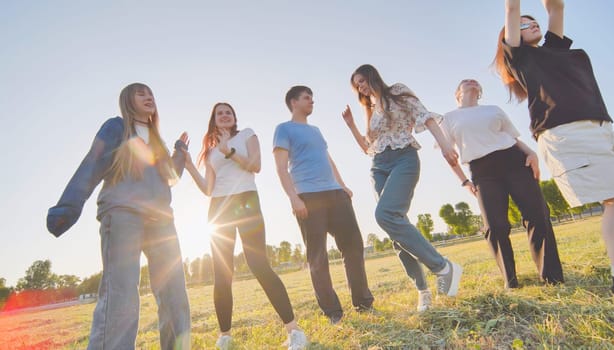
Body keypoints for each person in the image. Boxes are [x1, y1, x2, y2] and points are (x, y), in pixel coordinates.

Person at [46, 83, 191, 349]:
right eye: (141, 93)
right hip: (123, 214)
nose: (149, 97)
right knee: (121, 296)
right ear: (127, 100)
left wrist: (179, 152)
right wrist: (66, 209)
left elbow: (170, 178)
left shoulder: (156, 140)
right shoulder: (116, 128)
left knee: (175, 294)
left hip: (161, 219)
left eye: (151, 93)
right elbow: (92, 162)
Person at [495, 0, 614, 297]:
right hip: (567, 132)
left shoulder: (555, 49)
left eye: (533, 21)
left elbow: (556, 8)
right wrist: (516, 14)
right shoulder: (520, 57)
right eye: (523, 25)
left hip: (603, 128)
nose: (531, 24)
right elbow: (512, 8)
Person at [183, 102, 307, 350]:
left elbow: (256, 165)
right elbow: (208, 189)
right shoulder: (210, 152)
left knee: (259, 265)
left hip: (247, 200)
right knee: (222, 272)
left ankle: (294, 331)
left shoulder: (247, 135)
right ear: (214, 120)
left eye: (228, 112)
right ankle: (225, 336)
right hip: (219, 207)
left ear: (234, 117)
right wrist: (188, 165)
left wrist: (229, 152)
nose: (225, 115)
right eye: (220, 113)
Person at [341, 64, 462, 312]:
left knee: (385, 215)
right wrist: (352, 125)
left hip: (404, 158)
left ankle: (443, 268)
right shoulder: (371, 110)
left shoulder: (397, 91)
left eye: (362, 81)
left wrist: (446, 145)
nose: (361, 87)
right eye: (357, 85)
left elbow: (424, 116)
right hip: (378, 166)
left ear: (373, 76)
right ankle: (423, 291)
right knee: (394, 228)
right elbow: (367, 147)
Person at [441, 78, 564, 288]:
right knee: (495, 226)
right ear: (457, 93)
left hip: (514, 161)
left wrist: (531, 152)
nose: (472, 81)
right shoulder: (449, 118)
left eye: (475, 81)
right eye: (465, 81)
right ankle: (511, 281)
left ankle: (552, 277)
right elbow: (449, 155)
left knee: (537, 216)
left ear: (479, 91)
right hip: (483, 171)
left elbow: (512, 138)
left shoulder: (493, 110)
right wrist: (464, 181)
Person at [273, 86, 375, 324]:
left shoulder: (316, 130)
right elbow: (280, 168)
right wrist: (293, 197)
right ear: (293, 102)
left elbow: (328, 160)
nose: (312, 101)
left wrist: (342, 185)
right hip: (308, 196)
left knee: (353, 247)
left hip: (335, 194)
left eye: (312, 98)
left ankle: (363, 303)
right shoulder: (284, 129)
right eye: (307, 98)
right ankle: (333, 312)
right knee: (317, 257)